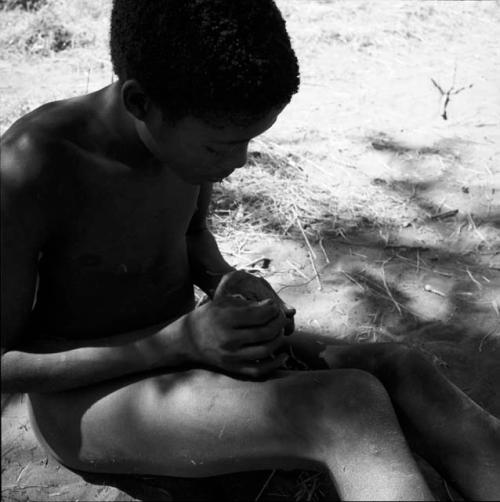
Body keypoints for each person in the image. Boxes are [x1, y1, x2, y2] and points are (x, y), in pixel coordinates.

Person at [1, 1, 499, 500]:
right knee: (348, 408)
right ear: (139, 103)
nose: (236, 162)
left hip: (188, 349)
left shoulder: (182, 136)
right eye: (220, 148)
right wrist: (176, 342)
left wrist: (224, 280)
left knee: (404, 369)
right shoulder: (32, 169)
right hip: (85, 401)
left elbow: (192, 236)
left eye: (248, 142)